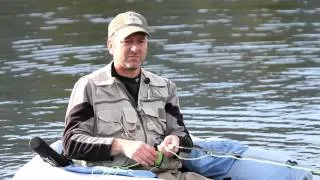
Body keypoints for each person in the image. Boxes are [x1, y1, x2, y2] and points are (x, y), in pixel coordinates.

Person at [62, 11, 210, 180]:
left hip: (168, 174)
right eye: (127, 42)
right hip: (118, 176)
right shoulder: (88, 86)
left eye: (141, 41)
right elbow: (71, 144)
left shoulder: (166, 86)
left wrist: (176, 141)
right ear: (110, 45)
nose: (135, 48)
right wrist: (122, 146)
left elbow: (185, 139)